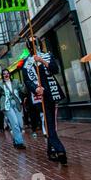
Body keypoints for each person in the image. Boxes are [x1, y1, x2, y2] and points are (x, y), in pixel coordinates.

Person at [22, 37, 67, 165]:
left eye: (35, 43)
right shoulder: (26, 63)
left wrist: (41, 60)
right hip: (39, 97)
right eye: (31, 44)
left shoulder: (48, 56)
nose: (34, 46)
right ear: (28, 47)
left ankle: (52, 149)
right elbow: (27, 80)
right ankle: (59, 150)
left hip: (51, 93)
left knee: (50, 124)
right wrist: (36, 88)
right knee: (47, 123)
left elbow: (55, 69)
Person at [0, 69, 27, 149]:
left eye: (7, 73)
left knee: (20, 124)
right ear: (2, 76)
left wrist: (26, 83)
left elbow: (23, 90)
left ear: (9, 74)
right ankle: (19, 143)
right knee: (15, 123)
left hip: (16, 104)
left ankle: (15, 139)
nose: (6, 75)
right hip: (7, 105)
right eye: (4, 74)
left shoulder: (15, 82)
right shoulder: (0, 84)